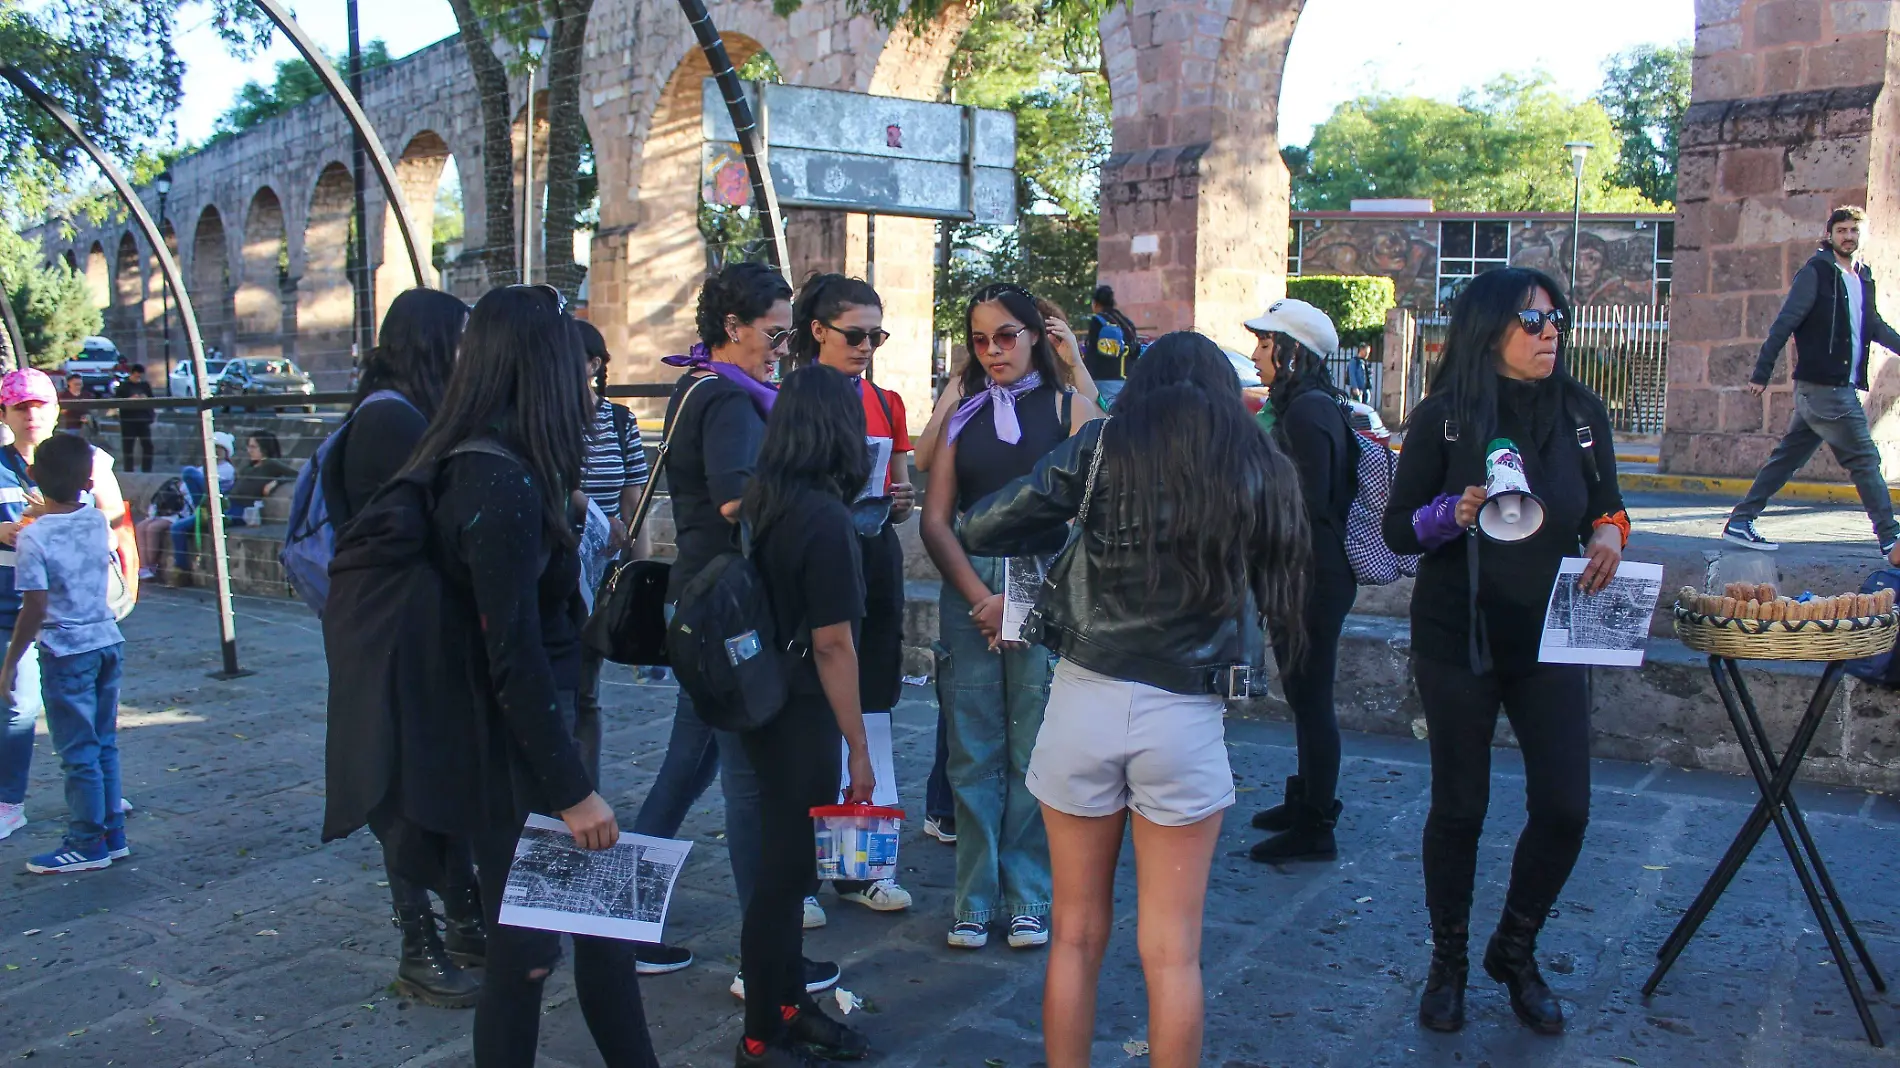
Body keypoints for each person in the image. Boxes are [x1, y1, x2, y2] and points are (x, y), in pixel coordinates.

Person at [958, 332, 1310, 1068]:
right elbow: (1290, 576)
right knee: (1173, 953)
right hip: (1184, 715)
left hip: (1085, 698)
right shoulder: (1254, 461)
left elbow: (984, 523)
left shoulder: (1102, 447)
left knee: (1076, 935)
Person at [398, 284, 656, 1066]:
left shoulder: (503, 467)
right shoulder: (496, 481)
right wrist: (572, 791)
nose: (586, 383)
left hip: (528, 741)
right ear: (534, 368)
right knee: (528, 958)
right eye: (572, 367)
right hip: (518, 757)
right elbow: (510, 653)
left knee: (593, 937)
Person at [1381, 267, 1627, 1035]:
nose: (1550, 331)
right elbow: (1394, 532)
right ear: (1490, 329)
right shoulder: (1444, 418)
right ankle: (1448, 961)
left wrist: (1611, 532)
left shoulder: (1583, 413)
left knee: (1566, 806)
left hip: (1552, 636)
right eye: (1532, 320)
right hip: (1459, 635)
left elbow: (1609, 502)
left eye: (1557, 319)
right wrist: (1449, 514)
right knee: (1461, 807)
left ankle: (1513, 948)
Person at [627, 263, 842, 993]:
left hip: (703, 607)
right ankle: (767, 955)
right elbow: (732, 504)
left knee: (690, 773)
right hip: (724, 616)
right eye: (775, 331)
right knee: (742, 788)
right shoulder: (726, 400)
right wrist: (810, 495)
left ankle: (622, 923)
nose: (783, 345)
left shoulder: (702, 389)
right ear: (734, 328)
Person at [920, 282, 1099, 951]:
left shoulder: (1068, 406)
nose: (992, 350)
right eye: (979, 339)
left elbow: (1089, 512)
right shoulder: (964, 415)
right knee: (971, 747)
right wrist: (980, 599)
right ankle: (972, 897)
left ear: (1035, 334)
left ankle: (1028, 894)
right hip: (970, 581)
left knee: (1034, 746)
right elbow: (936, 520)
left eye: (1006, 336)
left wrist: (1021, 598)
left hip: (1042, 579)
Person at [319, 286, 483, 1008]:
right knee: (398, 783)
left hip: (407, 623)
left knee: (432, 772)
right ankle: (419, 943)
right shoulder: (392, 419)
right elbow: (417, 527)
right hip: (388, 629)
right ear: (433, 343)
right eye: (462, 339)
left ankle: (464, 919)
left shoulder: (404, 413)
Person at [733, 364, 878, 1068]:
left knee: (787, 868)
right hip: (801, 709)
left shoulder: (769, 498)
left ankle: (788, 1002)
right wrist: (859, 746)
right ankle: (762, 1031)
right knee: (786, 873)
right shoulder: (822, 518)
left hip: (767, 702)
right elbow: (832, 642)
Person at [785, 272, 918, 915]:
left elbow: (900, 497)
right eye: (856, 334)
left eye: (877, 335)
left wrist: (900, 499)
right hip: (815, 557)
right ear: (818, 331)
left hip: (871, 556)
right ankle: (799, 879)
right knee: (813, 717)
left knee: (870, 709)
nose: (867, 347)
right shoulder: (791, 397)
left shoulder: (886, 402)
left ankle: (860, 867)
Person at [1242, 298, 1357, 863]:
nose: (1257, 354)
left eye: (1266, 344)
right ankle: (1304, 797)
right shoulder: (1301, 407)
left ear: (1292, 352)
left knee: (1312, 697)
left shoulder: (1308, 412)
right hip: (1299, 571)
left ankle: (1317, 823)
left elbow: (1307, 503)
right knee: (1301, 692)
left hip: (1312, 574)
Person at [0, 369, 135, 840]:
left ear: (57, 409)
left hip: (66, 623)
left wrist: (129, 585)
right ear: (5, 414)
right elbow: (101, 523)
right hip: (55, 618)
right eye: (20, 406)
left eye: (40, 404)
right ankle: (22, 803)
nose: (32, 413)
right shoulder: (70, 505)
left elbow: (118, 525)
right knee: (32, 710)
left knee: (78, 733)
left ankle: (88, 827)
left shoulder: (85, 464)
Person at [1723, 206, 1900, 556]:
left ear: (1861, 237)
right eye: (1842, 230)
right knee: (1864, 459)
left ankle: (1740, 522)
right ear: (1830, 234)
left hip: (1830, 389)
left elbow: (1874, 325)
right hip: (1825, 388)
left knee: (1787, 458)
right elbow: (1785, 322)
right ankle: (1891, 538)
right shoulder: (1817, 272)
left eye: (1854, 231)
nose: (1848, 236)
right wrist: (1762, 371)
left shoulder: (1863, 276)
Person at [574, 320, 653, 778]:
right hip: (560, 562)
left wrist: (640, 581)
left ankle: (584, 786)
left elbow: (634, 499)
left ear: (594, 364)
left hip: (602, 570)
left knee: (587, 685)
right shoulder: (545, 417)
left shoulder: (620, 420)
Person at [168, 431, 237, 581]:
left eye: (219, 449)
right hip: (198, 507)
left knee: (189, 471)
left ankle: (182, 569)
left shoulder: (227, 468)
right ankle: (181, 568)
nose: (216, 453)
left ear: (226, 452)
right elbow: (184, 489)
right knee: (177, 528)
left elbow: (209, 485)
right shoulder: (203, 468)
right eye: (213, 449)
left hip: (214, 509)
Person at [224, 431, 298, 526]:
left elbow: (296, 474)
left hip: (243, 509)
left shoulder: (270, 464)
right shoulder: (250, 466)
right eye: (249, 447)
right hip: (230, 502)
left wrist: (276, 482)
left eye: (253, 447)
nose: (249, 450)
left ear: (264, 448)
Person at [1083, 285, 1141, 405]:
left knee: (1104, 416)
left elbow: (1091, 351)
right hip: (1126, 378)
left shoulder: (1098, 321)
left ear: (1095, 303)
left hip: (1102, 378)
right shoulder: (1126, 322)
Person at [113, 365, 155, 473]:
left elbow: (152, 399)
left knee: (147, 445)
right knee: (128, 446)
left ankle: (147, 469)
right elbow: (117, 401)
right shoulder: (124, 386)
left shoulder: (145, 385)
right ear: (131, 374)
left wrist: (145, 399)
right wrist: (130, 399)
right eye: (136, 376)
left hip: (143, 419)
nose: (138, 378)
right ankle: (128, 469)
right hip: (128, 420)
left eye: (140, 376)